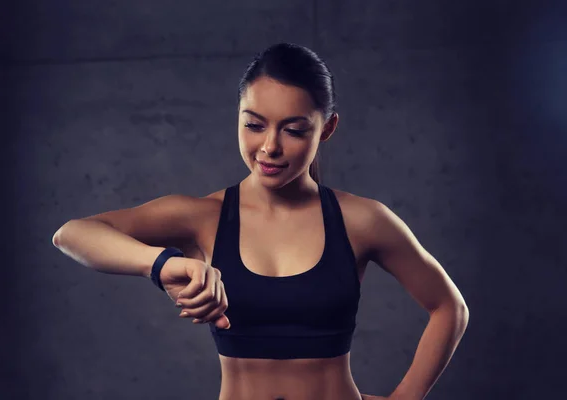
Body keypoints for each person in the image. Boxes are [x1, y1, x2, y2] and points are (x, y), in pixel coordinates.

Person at [52, 43, 469, 400]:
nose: (269, 147)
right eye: (254, 125)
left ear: (326, 129)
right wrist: (163, 265)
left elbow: (449, 307)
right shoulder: (203, 217)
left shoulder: (361, 220)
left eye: (293, 130)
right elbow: (72, 234)